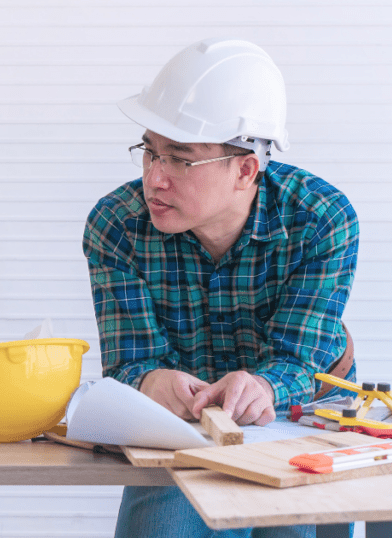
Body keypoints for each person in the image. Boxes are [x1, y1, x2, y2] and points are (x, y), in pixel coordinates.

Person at [82, 38, 359, 538]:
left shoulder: (321, 220)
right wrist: (149, 384)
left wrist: (264, 387)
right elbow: (129, 362)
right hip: (179, 432)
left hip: (300, 421)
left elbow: (302, 360)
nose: (154, 178)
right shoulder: (117, 226)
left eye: (180, 159)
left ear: (246, 169)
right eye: (149, 151)